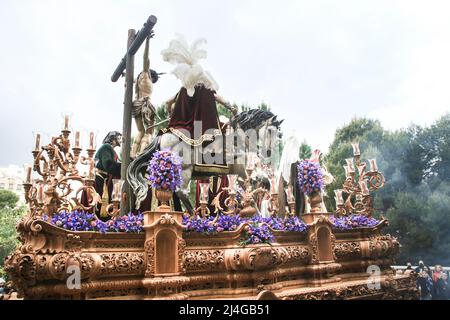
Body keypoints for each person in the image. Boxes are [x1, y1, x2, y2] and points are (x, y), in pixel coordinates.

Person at [94, 131, 122, 218]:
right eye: (119, 137)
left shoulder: (111, 150)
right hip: (101, 179)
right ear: (113, 139)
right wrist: (123, 166)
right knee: (101, 202)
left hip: (106, 179)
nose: (120, 140)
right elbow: (108, 165)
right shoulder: (106, 147)